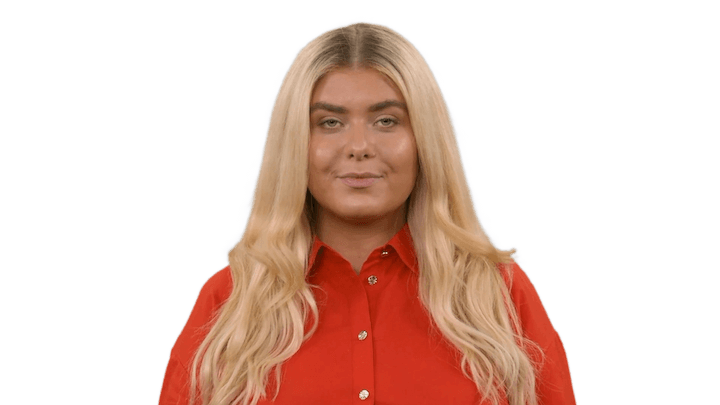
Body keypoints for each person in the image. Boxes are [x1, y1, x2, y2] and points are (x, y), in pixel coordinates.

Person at [158, 19, 576, 405]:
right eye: (330, 123)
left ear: (424, 139)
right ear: (296, 143)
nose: (359, 147)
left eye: (387, 121)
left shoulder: (500, 297)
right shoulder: (228, 304)